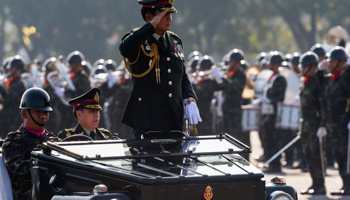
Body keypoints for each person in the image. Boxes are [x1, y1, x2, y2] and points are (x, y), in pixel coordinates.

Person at [119, 0, 198, 139]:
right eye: (164, 14)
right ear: (150, 18)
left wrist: (190, 97)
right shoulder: (137, 39)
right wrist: (150, 26)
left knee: (177, 159)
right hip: (148, 121)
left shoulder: (175, 41)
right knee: (150, 160)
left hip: (174, 119)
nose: (169, 18)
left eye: (170, 14)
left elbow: (181, 75)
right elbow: (125, 49)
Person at [1, 88, 58, 200]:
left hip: (54, 190)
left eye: (45, 112)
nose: (43, 116)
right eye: (38, 112)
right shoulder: (14, 141)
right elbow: (21, 169)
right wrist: (48, 163)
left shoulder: (54, 140)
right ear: (24, 114)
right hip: (29, 195)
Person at [298, 52, 327, 195]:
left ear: (312, 67)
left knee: (317, 155)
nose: (302, 69)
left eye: (304, 67)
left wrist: (322, 124)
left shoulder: (318, 82)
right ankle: (314, 183)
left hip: (315, 125)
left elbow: (323, 105)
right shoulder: (305, 82)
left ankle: (320, 184)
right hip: (306, 125)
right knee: (308, 154)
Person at [252, 51, 287, 172]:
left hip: (275, 114)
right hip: (268, 113)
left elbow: (280, 97)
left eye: (271, 64)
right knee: (268, 139)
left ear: (276, 64)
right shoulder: (271, 77)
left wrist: (269, 100)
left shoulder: (280, 78)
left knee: (274, 140)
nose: (269, 66)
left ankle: (276, 165)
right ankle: (271, 162)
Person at [212, 49, 247, 159]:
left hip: (235, 111)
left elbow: (233, 87)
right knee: (226, 137)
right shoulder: (229, 74)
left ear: (237, 62)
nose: (229, 64)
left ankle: (241, 160)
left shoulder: (240, 75)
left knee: (236, 137)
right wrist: (216, 78)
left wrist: (222, 77)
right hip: (226, 110)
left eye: (231, 62)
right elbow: (219, 88)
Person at [326, 46, 350, 195]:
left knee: (346, 154)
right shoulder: (332, 79)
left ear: (341, 63)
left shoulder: (346, 78)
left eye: (332, 61)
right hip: (335, 123)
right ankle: (344, 184)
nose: (329, 64)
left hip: (345, 123)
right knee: (338, 154)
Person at [55, 51, 91, 129]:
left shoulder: (83, 78)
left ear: (79, 64)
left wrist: (65, 92)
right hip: (69, 115)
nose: (70, 66)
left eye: (72, 64)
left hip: (79, 116)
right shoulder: (73, 77)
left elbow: (82, 96)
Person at [0, 56, 26, 138]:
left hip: (13, 119)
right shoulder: (12, 82)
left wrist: (1, 87)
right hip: (6, 119)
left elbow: (8, 98)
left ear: (19, 69)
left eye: (12, 68)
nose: (10, 70)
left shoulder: (19, 83)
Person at [192, 55, 216, 135]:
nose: (200, 70)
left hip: (205, 115)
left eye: (202, 68)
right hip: (198, 113)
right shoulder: (201, 80)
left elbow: (201, 93)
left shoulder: (209, 81)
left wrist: (192, 85)